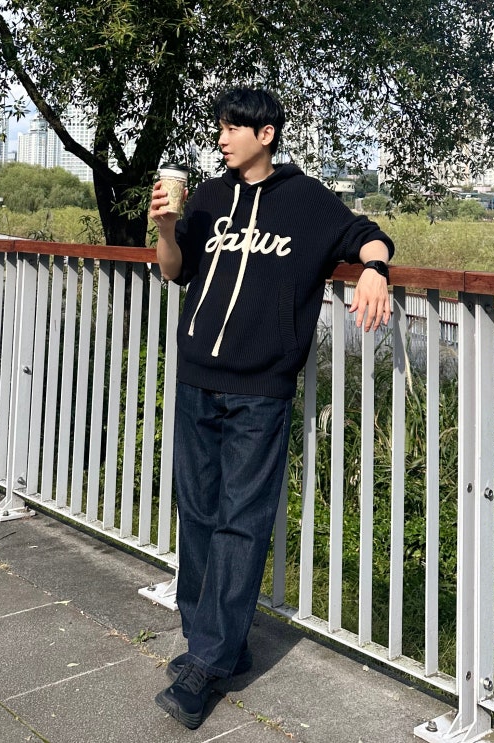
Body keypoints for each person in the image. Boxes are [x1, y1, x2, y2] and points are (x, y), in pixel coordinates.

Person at [149, 87, 394, 730]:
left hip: (260, 387)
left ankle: (207, 661)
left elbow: (368, 236)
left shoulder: (306, 200)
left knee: (241, 520)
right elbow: (174, 272)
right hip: (198, 377)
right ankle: (214, 643)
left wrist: (375, 271)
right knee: (197, 511)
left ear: (266, 134)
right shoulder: (208, 196)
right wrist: (167, 229)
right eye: (220, 128)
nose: (222, 138)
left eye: (234, 128)